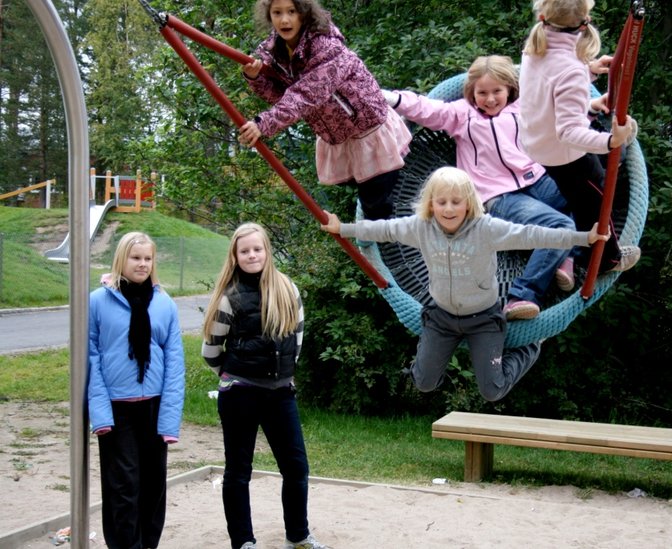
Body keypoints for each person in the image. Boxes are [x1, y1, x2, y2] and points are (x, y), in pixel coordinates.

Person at [320, 167, 608, 401]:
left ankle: (530, 347)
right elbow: (384, 229)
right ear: (430, 204)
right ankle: (431, 354)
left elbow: (534, 234)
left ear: (469, 203)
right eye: (441, 202)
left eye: (456, 202)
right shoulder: (421, 228)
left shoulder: (487, 229)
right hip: (441, 317)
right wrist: (342, 228)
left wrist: (584, 238)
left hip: (483, 318)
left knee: (492, 390)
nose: (448, 209)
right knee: (424, 383)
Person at [382, 55, 577, 321]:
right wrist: (392, 98)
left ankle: (568, 255)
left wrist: (590, 85)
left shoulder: (523, 107)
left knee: (587, 191)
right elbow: (427, 109)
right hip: (499, 196)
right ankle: (523, 296)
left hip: (538, 180)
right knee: (560, 226)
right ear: (472, 93)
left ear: (509, 89)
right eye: (482, 93)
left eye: (497, 91)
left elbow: (557, 95)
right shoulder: (462, 115)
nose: (490, 99)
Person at [201, 223, 327, 549]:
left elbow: (297, 338)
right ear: (235, 256)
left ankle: (298, 536)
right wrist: (232, 375)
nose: (252, 255)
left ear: (267, 251)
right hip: (241, 392)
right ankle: (243, 541)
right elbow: (211, 350)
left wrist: (282, 372)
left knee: (296, 467)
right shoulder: (229, 297)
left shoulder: (287, 288)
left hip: (280, 392)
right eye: (245, 251)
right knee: (238, 470)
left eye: (257, 249)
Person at [238, 0, 412, 221]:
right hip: (338, 137)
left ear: (303, 13)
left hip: (369, 131)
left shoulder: (326, 45)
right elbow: (281, 97)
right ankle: (382, 232)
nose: (284, 20)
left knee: (377, 207)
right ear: (269, 16)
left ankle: (400, 232)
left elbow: (306, 95)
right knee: (369, 204)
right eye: (277, 13)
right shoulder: (275, 54)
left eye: (292, 12)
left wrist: (263, 124)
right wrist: (255, 79)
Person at [518, 0, 640, 274]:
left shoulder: (535, 45)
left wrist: (589, 70)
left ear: (543, 16)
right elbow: (569, 132)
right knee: (595, 200)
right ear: (586, 20)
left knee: (582, 190)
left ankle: (581, 250)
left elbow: (550, 84)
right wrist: (611, 140)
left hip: (539, 139)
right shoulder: (570, 69)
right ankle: (606, 260)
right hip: (563, 153)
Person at [88, 231, 185, 549]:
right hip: (117, 407)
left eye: (148, 258)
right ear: (121, 259)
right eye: (135, 257)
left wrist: (169, 419)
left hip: (154, 405)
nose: (142, 264)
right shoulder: (98, 301)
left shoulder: (164, 304)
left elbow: (174, 364)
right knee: (123, 486)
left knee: (153, 485)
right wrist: (100, 413)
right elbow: (91, 357)